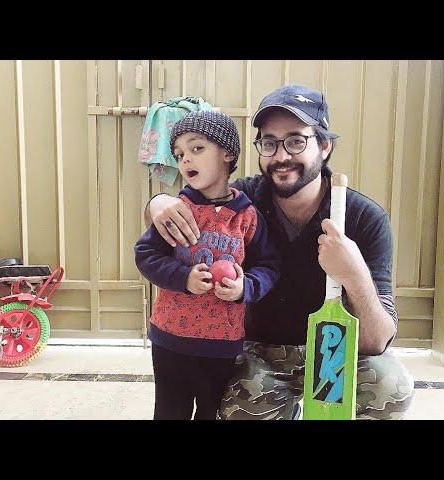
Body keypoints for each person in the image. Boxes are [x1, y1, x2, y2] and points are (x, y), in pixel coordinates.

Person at [144, 85, 415, 420]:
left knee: (390, 388)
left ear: (325, 145)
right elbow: (184, 210)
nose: (282, 155)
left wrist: (354, 273)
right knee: (226, 402)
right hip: (259, 351)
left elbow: (377, 340)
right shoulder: (240, 202)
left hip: (333, 350)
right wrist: (158, 203)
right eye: (269, 143)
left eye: (296, 141)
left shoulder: (362, 218)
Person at [135, 110, 280, 420]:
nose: (186, 159)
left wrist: (245, 287)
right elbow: (146, 254)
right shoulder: (177, 210)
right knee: (170, 412)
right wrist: (183, 277)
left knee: (212, 413)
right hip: (170, 339)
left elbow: (268, 267)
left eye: (197, 148)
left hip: (221, 343)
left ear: (227, 153)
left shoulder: (248, 217)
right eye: (179, 154)